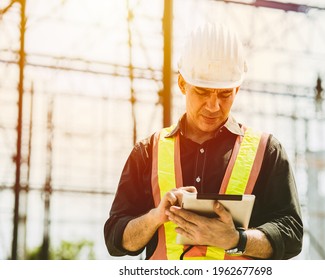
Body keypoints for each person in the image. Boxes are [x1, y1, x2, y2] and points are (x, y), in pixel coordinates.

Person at [104, 23, 303, 260]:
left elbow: (292, 236)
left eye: (225, 94)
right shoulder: (148, 152)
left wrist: (237, 240)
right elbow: (115, 240)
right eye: (202, 91)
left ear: (237, 89)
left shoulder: (266, 151)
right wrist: (156, 217)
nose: (213, 105)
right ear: (182, 84)